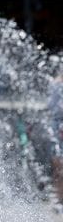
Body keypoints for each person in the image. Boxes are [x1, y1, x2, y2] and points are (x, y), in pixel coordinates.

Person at [47, 74, 63, 209]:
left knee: (58, 164)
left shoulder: (56, 83)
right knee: (58, 164)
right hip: (58, 126)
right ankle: (57, 197)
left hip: (57, 125)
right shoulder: (57, 84)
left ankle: (57, 198)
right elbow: (53, 107)